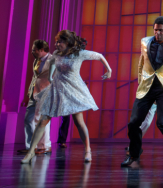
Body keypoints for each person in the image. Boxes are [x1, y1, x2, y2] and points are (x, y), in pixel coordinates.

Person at [20, 31, 112, 164]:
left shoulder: (79, 54)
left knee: (79, 122)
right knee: (43, 120)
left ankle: (87, 150)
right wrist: (51, 76)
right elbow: (52, 63)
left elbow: (99, 56)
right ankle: (30, 153)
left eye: (59, 42)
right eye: (56, 42)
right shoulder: (57, 54)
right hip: (56, 89)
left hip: (73, 90)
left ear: (67, 42)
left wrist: (109, 70)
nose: (56, 44)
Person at [121, 16, 163, 168]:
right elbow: (141, 64)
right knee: (134, 123)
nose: (157, 33)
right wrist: (141, 83)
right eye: (155, 30)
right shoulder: (145, 42)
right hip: (146, 88)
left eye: (161, 30)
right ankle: (134, 154)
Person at [18, 40, 52, 155]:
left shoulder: (52, 60)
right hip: (34, 93)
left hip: (45, 93)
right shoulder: (36, 60)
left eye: (34, 50)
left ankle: (45, 146)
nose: (32, 52)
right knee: (28, 120)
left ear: (41, 50)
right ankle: (30, 147)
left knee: (43, 120)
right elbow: (35, 77)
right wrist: (28, 94)